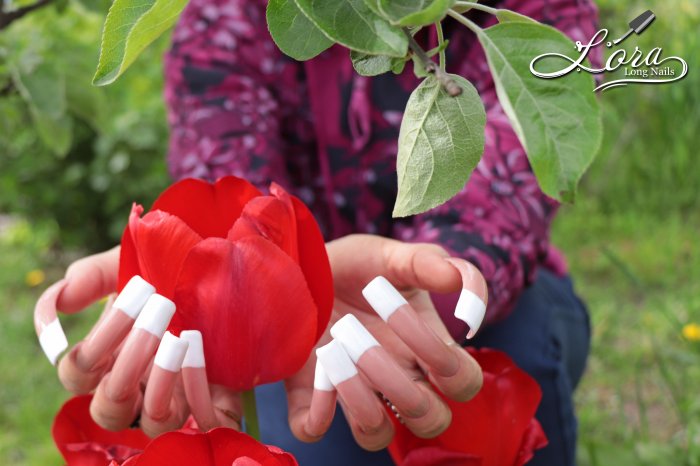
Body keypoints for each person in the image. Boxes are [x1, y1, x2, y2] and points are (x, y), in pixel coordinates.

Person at [39, 0, 599, 464]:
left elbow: (503, 197)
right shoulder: (228, 15)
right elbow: (232, 207)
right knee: (318, 436)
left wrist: (438, 281)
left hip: (482, 303)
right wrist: (199, 295)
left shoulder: (531, 15)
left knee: (513, 352)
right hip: (298, 336)